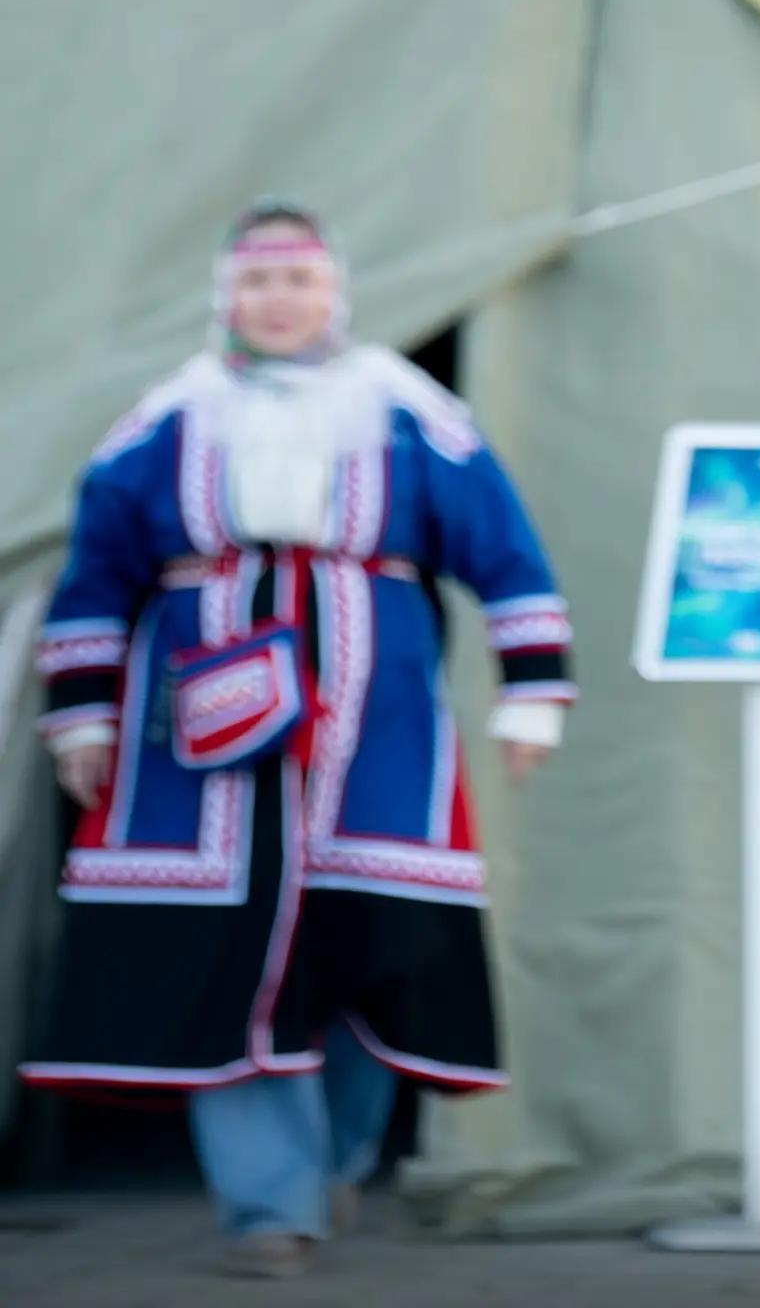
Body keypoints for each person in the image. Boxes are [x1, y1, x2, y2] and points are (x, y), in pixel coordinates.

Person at [25, 203, 574, 1277]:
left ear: (335, 295)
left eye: (299, 282)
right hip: (202, 740)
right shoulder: (166, 421)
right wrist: (82, 718)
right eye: (258, 283)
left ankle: (335, 1161)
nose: (278, 302)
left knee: (374, 946)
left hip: (378, 729)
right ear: (226, 297)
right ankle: (268, 1208)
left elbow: (504, 551)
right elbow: (94, 577)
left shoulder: (406, 414)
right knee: (230, 954)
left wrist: (532, 695)